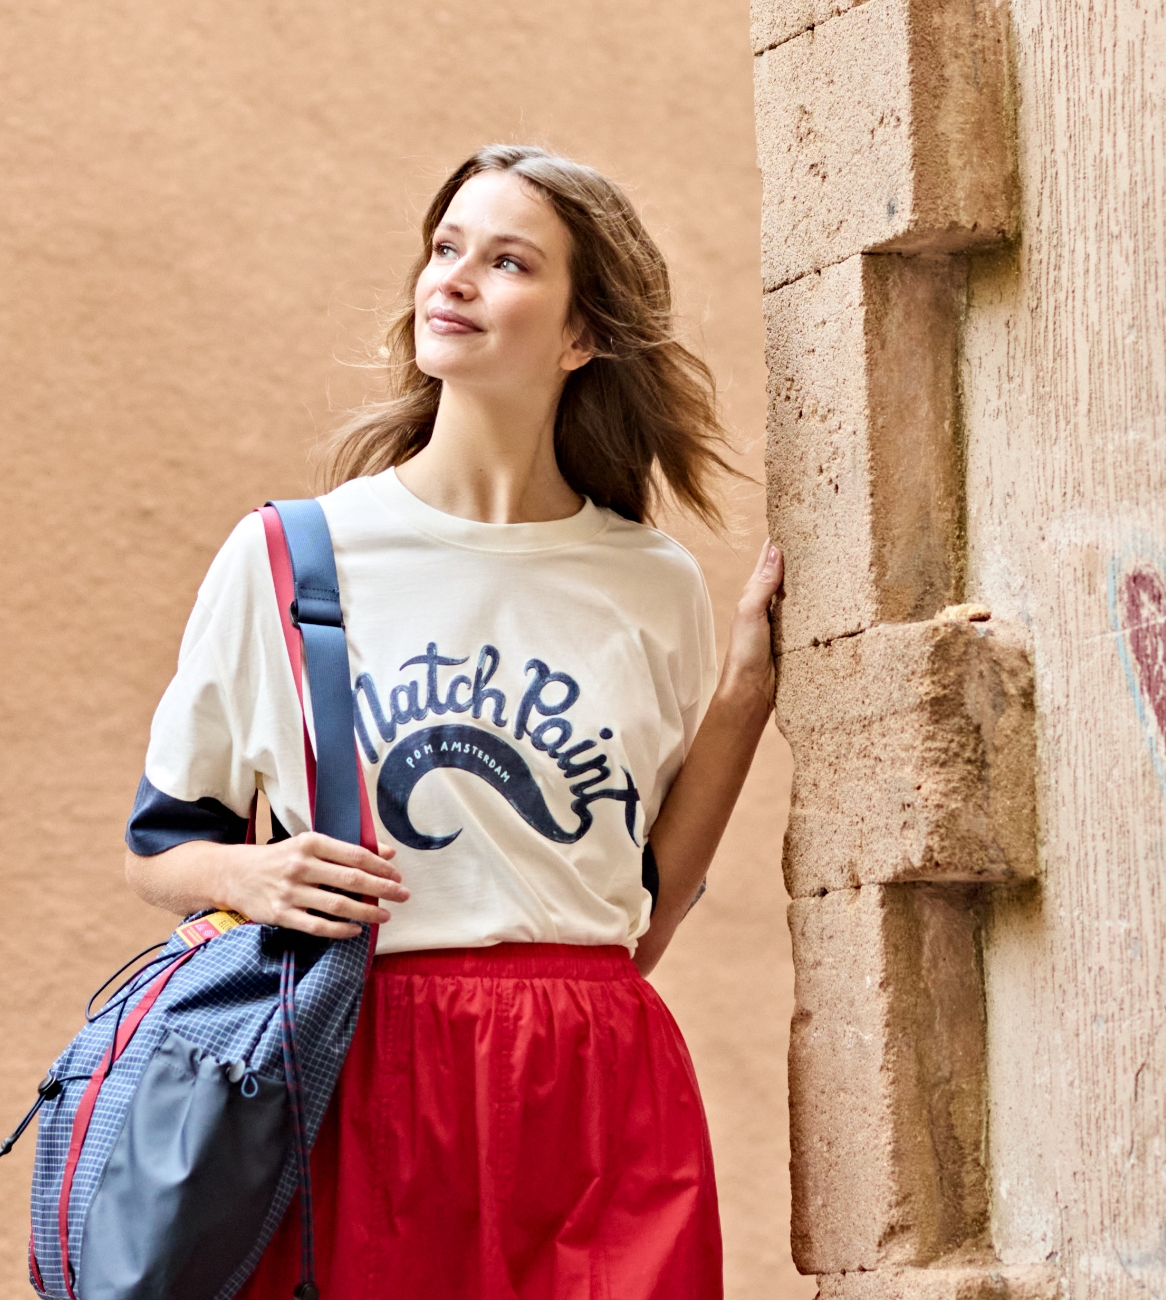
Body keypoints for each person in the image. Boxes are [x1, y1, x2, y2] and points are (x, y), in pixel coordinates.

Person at [123, 144, 783, 1300]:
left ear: (583, 334)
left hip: (597, 1078)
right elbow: (160, 846)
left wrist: (741, 699)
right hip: (366, 1066)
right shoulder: (290, 556)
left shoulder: (650, 582)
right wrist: (256, 876)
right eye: (445, 249)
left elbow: (646, 903)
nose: (456, 279)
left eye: (509, 261)